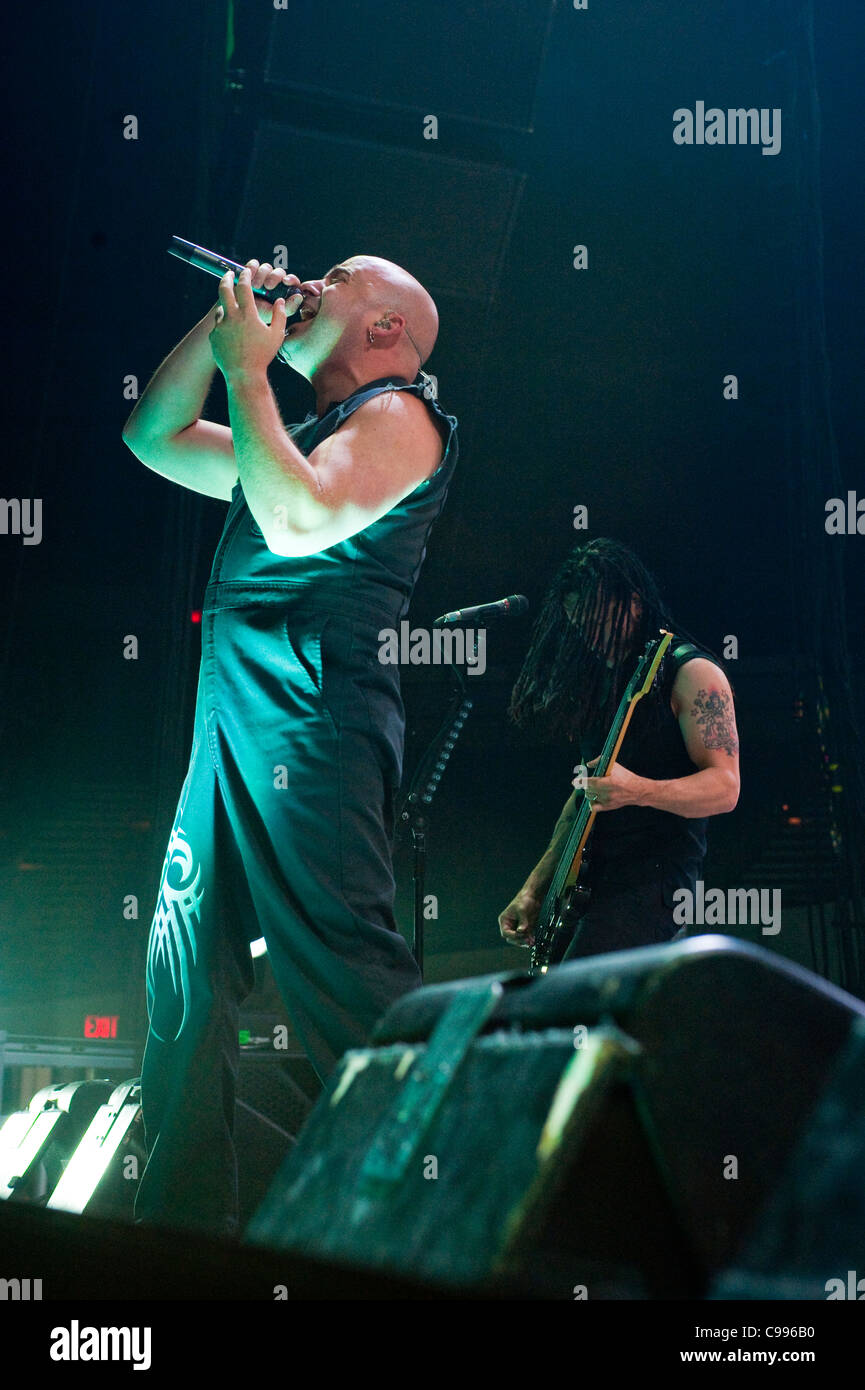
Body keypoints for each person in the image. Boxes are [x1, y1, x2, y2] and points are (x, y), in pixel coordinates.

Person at [122, 253, 457, 1234]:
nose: (311, 277)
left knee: (342, 974)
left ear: (386, 329)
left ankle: (439, 1216)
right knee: (180, 979)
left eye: (338, 276)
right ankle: (175, 1232)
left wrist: (248, 368)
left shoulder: (402, 415)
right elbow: (152, 434)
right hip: (230, 727)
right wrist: (224, 331)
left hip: (313, 729)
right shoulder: (295, 432)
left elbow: (299, 513)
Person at [498, 538, 739, 962]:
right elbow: (583, 799)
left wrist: (639, 790)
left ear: (634, 604)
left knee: (576, 996)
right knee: (561, 1001)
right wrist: (533, 890)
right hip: (592, 879)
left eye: (595, 620)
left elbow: (725, 787)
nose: (586, 635)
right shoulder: (603, 686)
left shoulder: (692, 673)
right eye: (577, 622)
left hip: (655, 878)